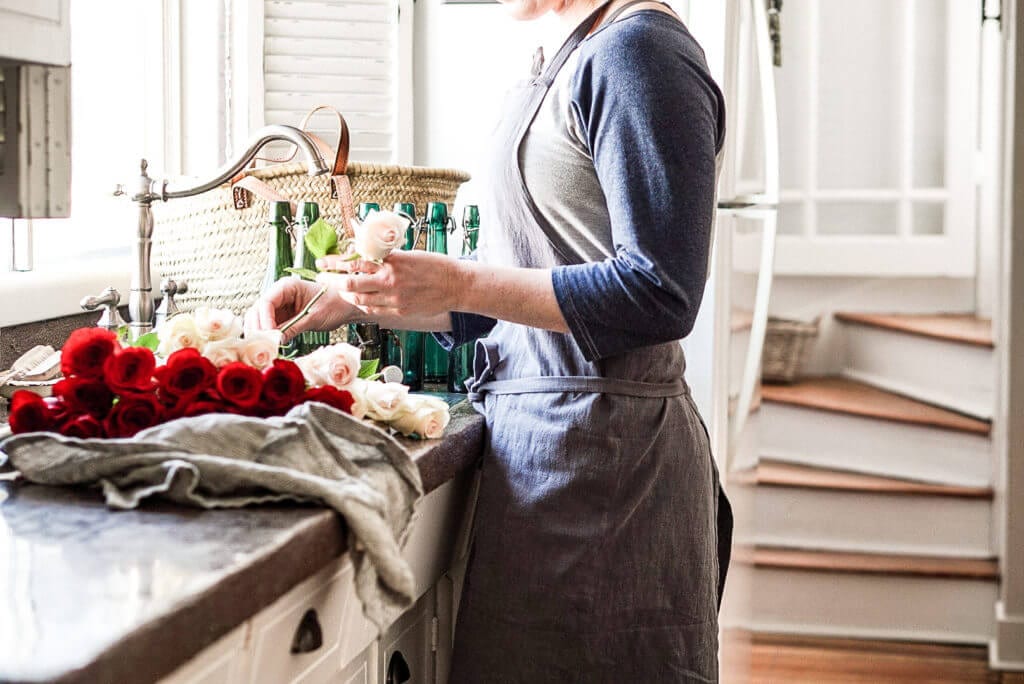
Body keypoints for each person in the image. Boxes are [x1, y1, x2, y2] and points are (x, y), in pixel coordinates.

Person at [247, 0, 730, 680]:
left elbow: (661, 294)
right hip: (550, 453)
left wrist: (463, 285)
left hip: (610, 468)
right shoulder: (567, 49)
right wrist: (356, 304)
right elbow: (536, 286)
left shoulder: (640, 54)